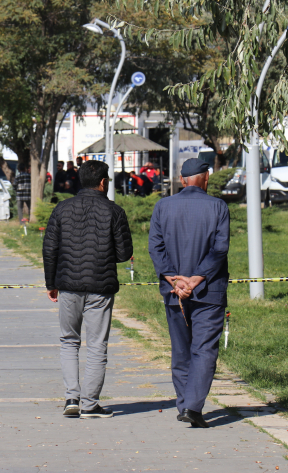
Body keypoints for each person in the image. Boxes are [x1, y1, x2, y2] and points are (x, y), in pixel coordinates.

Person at [42, 160, 133, 419]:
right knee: (96, 345)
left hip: (68, 286)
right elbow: (125, 253)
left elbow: (50, 249)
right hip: (100, 288)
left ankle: (72, 398)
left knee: (69, 341)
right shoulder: (114, 211)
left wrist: (52, 284)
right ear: (103, 182)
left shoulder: (61, 209)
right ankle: (90, 404)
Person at [148, 158, 230, 428]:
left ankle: (184, 403)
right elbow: (219, 249)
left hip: (174, 292)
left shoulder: (162, 206)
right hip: (209, 291)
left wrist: (174, 279)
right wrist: (196, 279)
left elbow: (155, 248)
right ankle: (193, 407)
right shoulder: (218, 206)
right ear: (206, 178)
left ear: (182, 180)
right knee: (204, 349)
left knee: (181, 348)